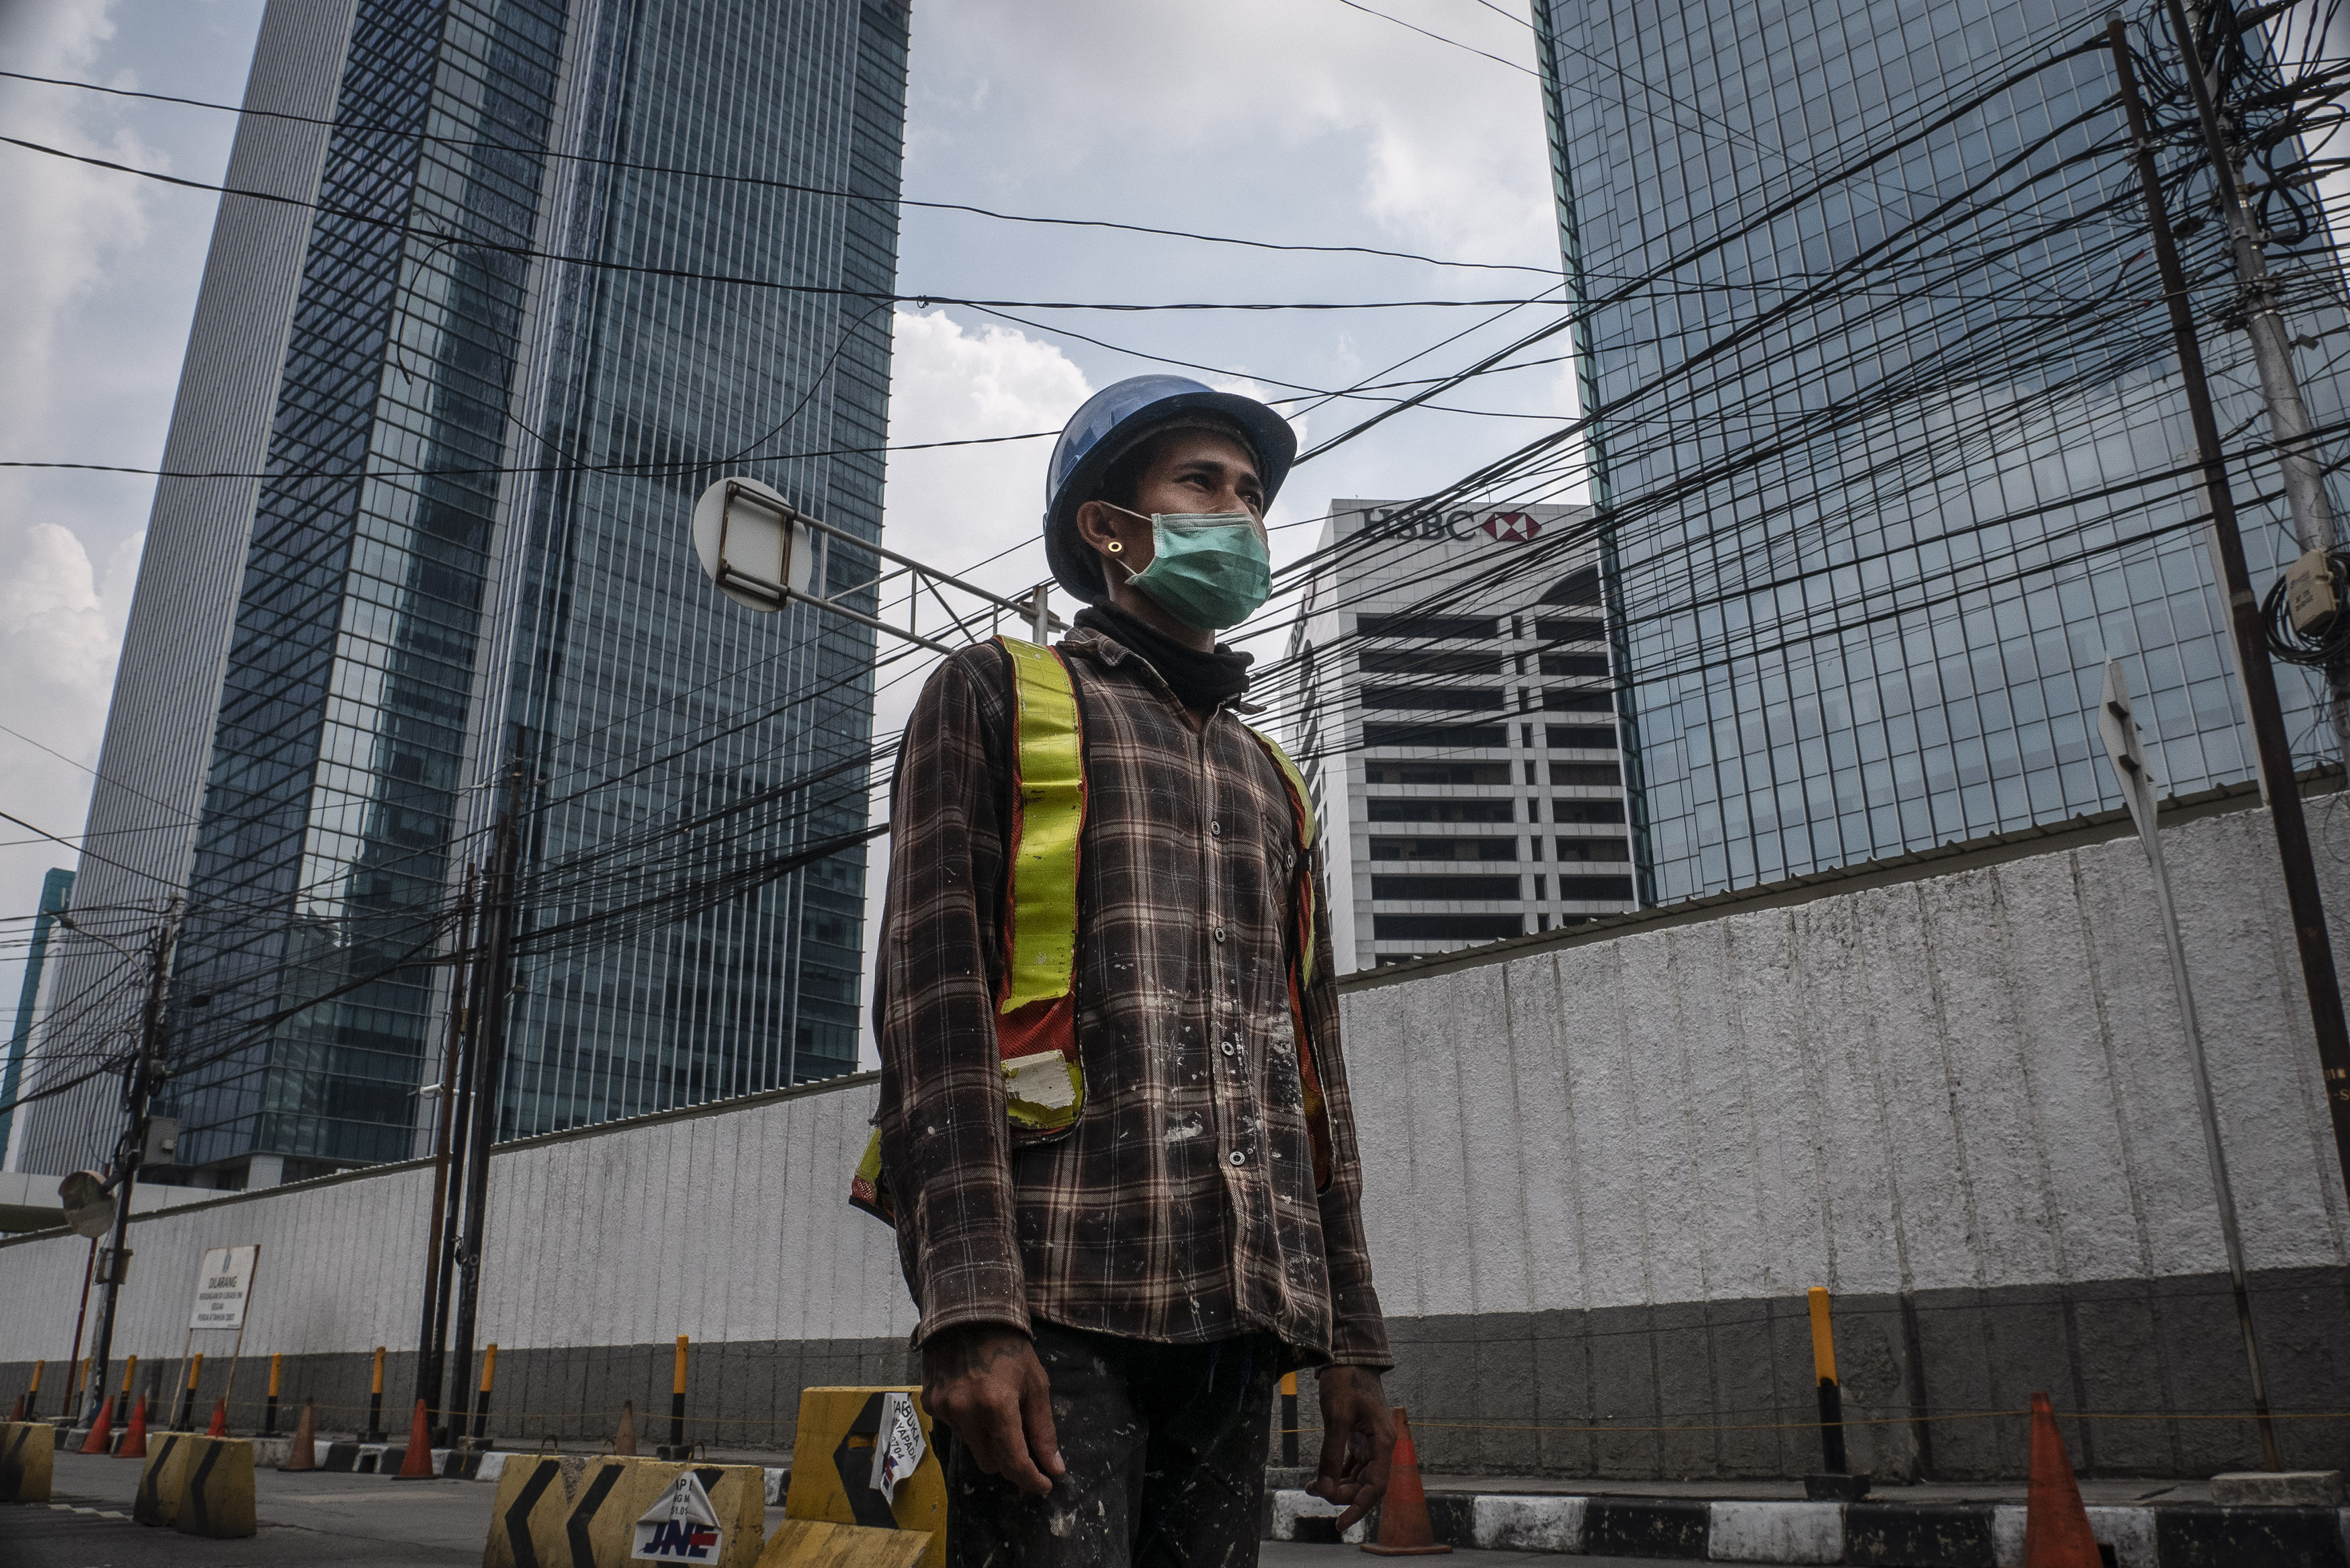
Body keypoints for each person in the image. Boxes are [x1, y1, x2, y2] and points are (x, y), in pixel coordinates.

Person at [861, 374, 1396, 1565]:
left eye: (1251, 493)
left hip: (1240, 1312)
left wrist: (1350, 1341)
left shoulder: (1273, 781)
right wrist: (968, 1309)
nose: (1240, 514)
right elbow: (934, 1014)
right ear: (1111, 530)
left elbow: (1312, 1075)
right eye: (1200, 483)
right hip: (1056, 1296)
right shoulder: (1000, 696)